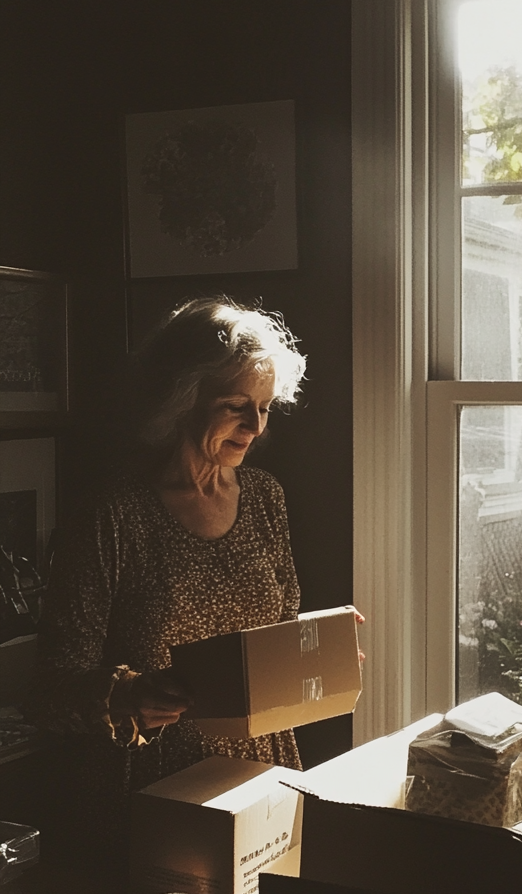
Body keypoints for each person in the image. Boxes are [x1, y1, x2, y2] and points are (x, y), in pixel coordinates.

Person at [30, 296, 316, 862]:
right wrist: (128, 695)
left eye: (264, 407)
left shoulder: (263, 498)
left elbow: (275, 630)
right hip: (151, 789)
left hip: (262, 774)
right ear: (179, 401)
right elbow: (48, 691)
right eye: (235, 405)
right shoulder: (113, 513)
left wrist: (317, 648)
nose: (255, 426)